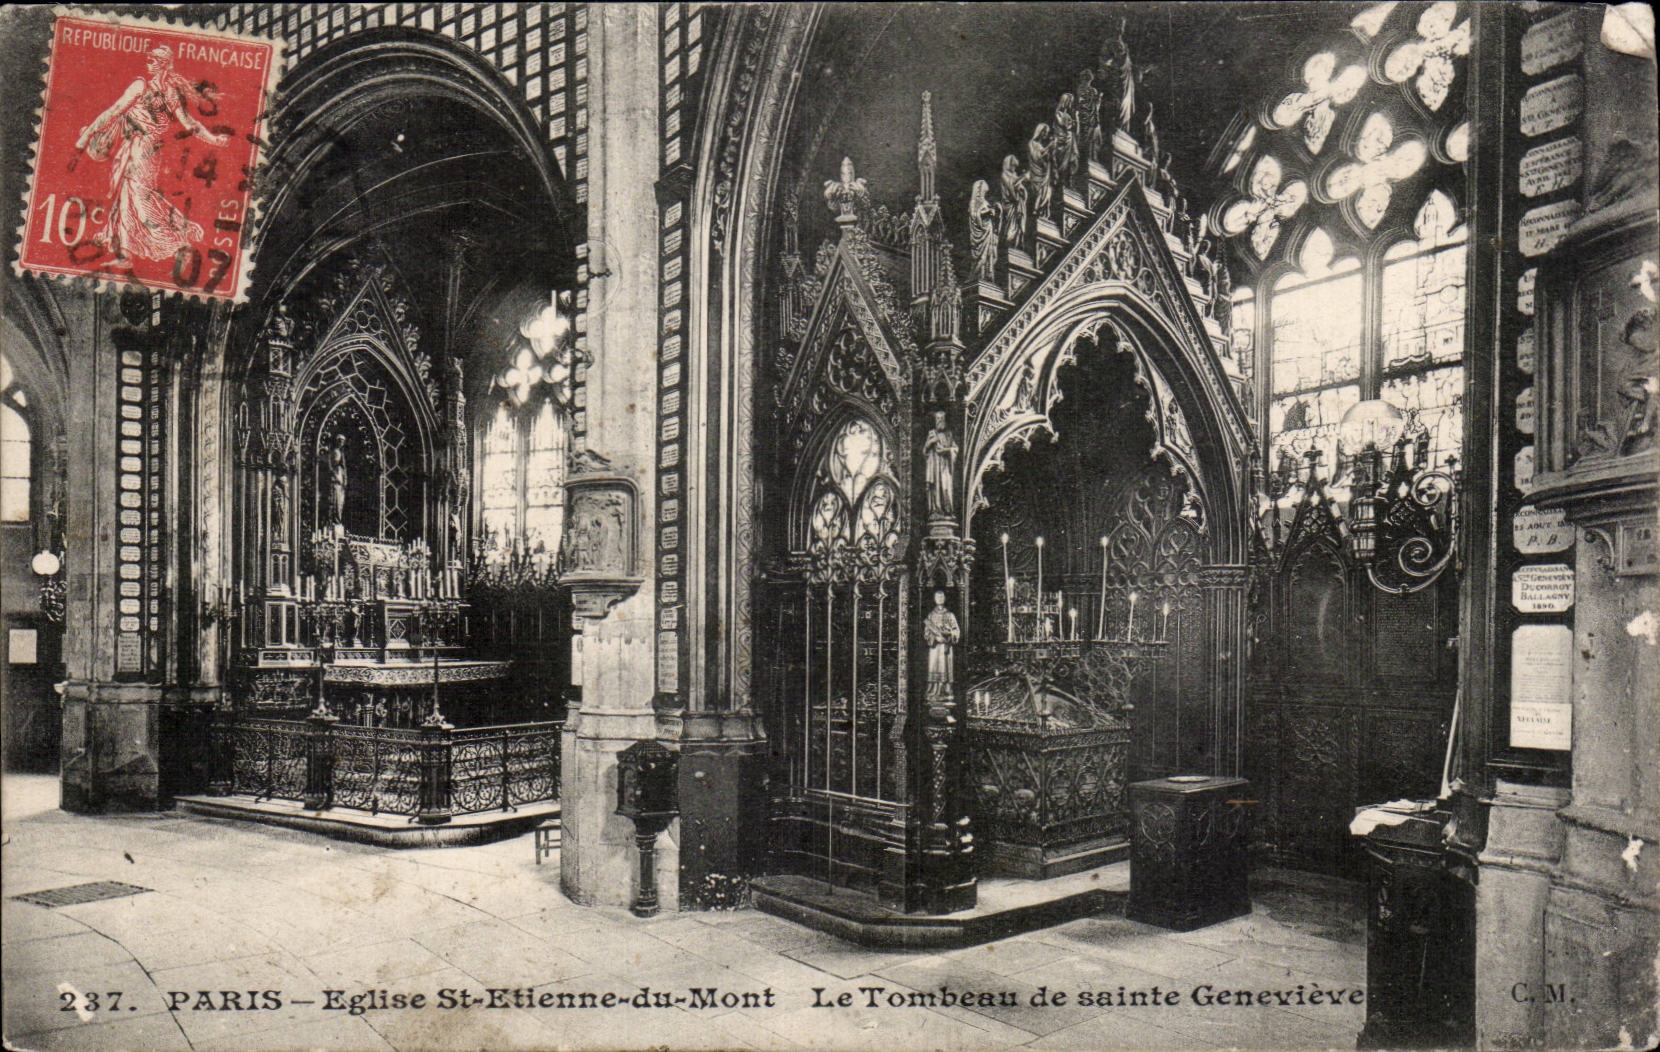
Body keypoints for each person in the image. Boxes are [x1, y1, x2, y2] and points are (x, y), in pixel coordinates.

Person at [74, 46, 228, 262]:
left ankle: (174, 241)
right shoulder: (146, 87)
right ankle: (124, 254)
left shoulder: (158, 90)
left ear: (164, 64)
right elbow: (114, 111)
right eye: (148, 58)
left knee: (139, 198)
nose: (148, 62)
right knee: (127, 197)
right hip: (141, 148)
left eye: (154, 60)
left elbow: (189, 123)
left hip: (144, 149)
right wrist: (89, 133)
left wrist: (213, 139)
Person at [923, 590, 960, 700]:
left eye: (941, 597)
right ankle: (933, 690)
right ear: (934, 599)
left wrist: (949, 634)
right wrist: (934, 637)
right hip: (935, 647)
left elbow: (956, 630)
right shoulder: (931, 615)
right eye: (937, 597)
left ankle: (946, 690)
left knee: (945, 667)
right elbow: (926, 632)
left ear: (944, 598)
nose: (939, 599)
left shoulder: (950, 615)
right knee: (933, 666)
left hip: (945, 646)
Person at [923, 410, 958, 519]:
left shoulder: (949, 435)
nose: (940, 421)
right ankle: (936, 510)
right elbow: (925, 451)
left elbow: (955, 449)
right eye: (938, 419)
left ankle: (948, 511)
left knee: (946, 488)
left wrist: (946, 450)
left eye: (942, 419)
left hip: (945, 466)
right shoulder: (932, 434)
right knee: (935, 488)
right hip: (934, 467)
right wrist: (931, 442)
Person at [966, 180, 998, 283]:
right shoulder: (974, 202)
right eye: (983, 190)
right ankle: (979, 275)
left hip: (988, 230)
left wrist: (993, 212)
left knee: (989, 254)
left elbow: (988, 213)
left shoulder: (985, 202)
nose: (984, 192)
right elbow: (974, 215)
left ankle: (987, 276)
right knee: (980, 256)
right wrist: (986, 212)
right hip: (980, 232)